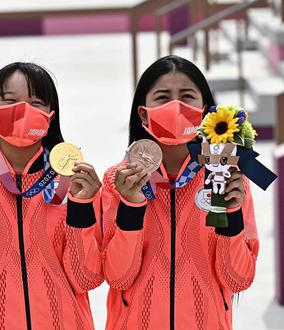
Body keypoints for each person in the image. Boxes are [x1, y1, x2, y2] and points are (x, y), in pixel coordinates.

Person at [0, 62, 103, 329]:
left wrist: (81, 206)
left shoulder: (74, 181)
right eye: (11, 101)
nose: (23, 111)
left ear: (50, 115)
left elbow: (86, 278)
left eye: (36, 103)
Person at [101, 55, 258, 329]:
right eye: (163, 98)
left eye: (187, 97)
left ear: (206, 111)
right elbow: (118, 278)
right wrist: (131, 207)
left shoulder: (222, 178)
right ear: (143, 113)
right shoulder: (120, 180)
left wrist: (232, 215)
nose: (176, 107)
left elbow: (236, 280)